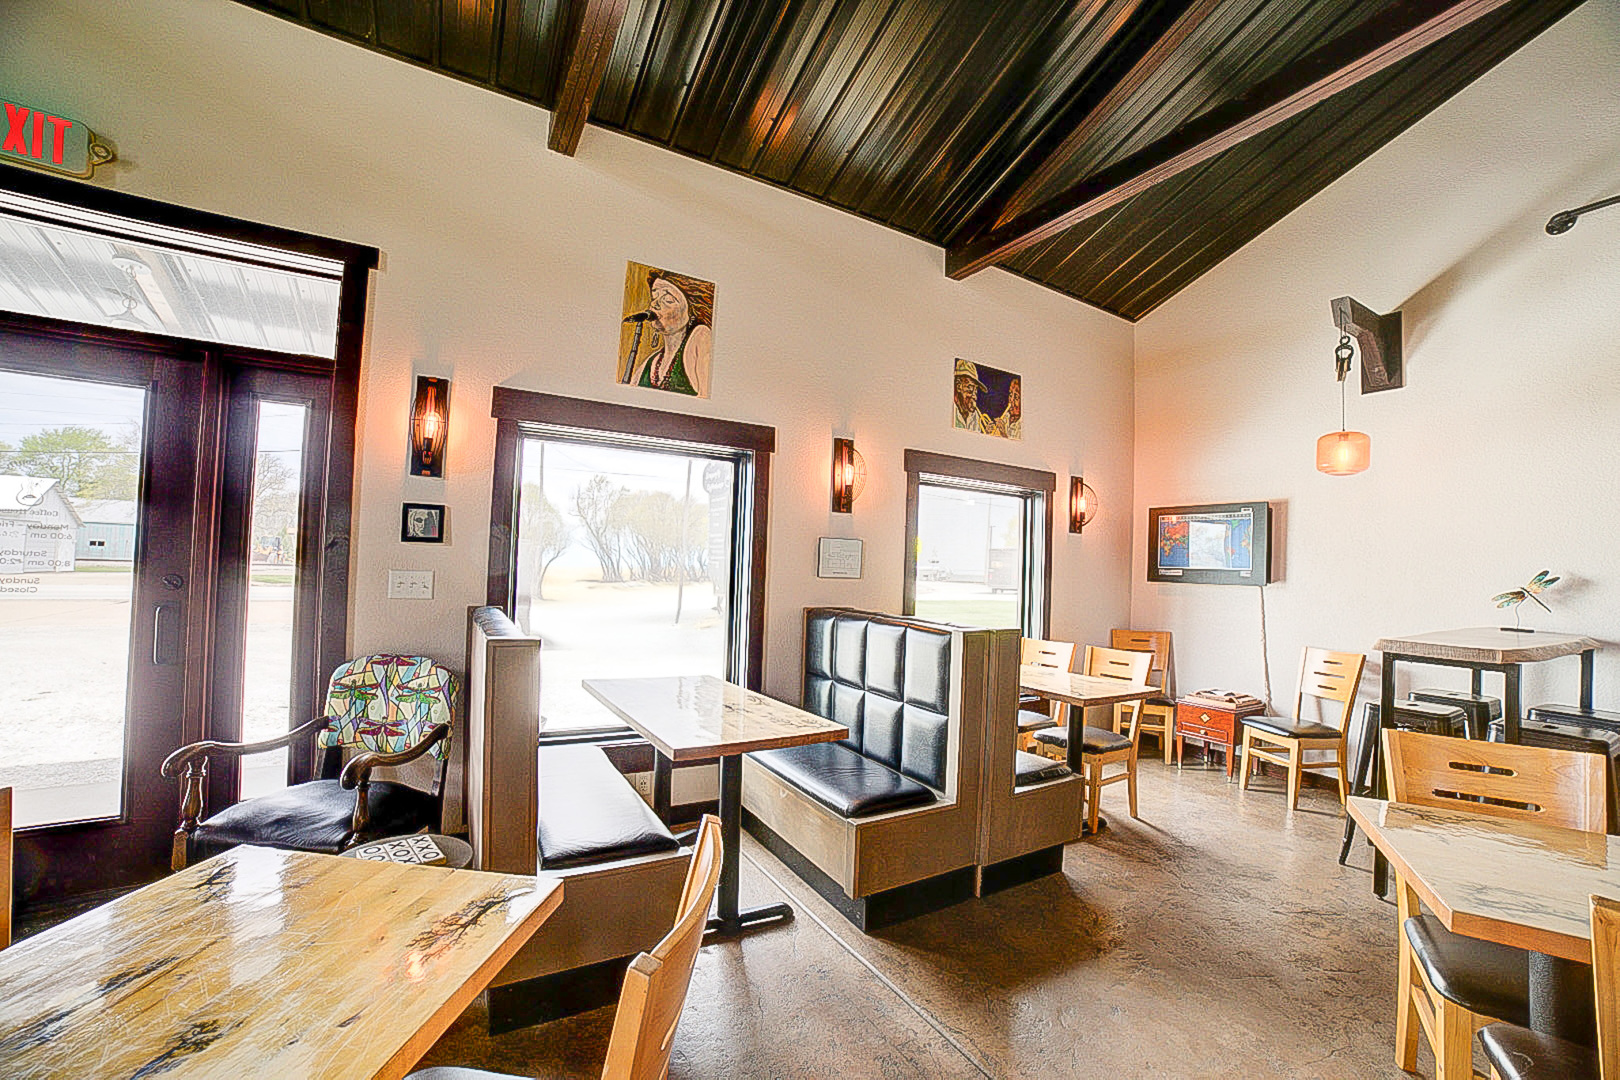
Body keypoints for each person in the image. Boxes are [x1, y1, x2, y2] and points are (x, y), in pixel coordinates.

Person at [626, 268, 713, 398]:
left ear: (691, 310)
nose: (654, 304)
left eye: (668, 299)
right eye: (654, 296)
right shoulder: (650, 363)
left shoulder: (701, 336)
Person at [952, 358, 996, 434]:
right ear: (959, 386)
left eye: (975, 391)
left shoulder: (975, 417)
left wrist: (987, 435)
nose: (974, 397)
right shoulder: (951, 410)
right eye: (970, 389)